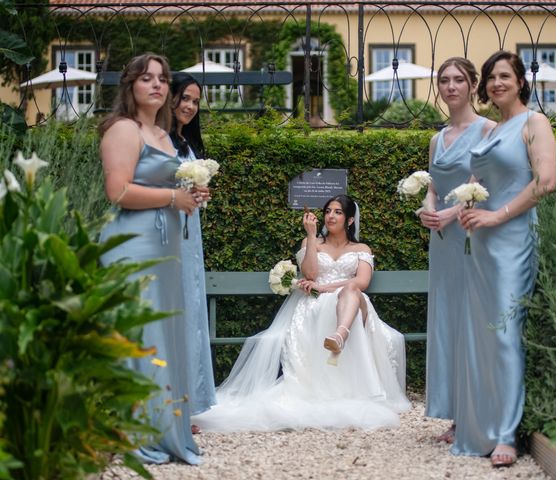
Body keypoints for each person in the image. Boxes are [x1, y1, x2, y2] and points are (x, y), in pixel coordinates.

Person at [192, 194, 410, 432]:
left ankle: (339, 335)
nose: (330, 216)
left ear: (349, 220)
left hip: (352, 301)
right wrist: (310, 235)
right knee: (331, 301)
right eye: (328, 211)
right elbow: (310, 274)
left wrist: (325, 288)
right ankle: (338, 337)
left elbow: (362, 281)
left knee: (350, 289)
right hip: (315, 303)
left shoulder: (361, 248)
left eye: (337, 212)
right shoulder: (313, 243)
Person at [98, 53, 209, 465]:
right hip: (134, 245)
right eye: (147, 78)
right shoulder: (123, 129)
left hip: (167, 249)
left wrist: (190, 197)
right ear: (131, 85)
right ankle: (134, 432)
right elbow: (118, 191)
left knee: (165, 336)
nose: (157, 85)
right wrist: (171, 197)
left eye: (162, 79)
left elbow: (170, 189)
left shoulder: (162, 134)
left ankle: (165, 429)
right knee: (140, 337)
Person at [454, 50, 556, 467]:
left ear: (519, 81)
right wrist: (467, 203)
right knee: (480, 336)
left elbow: (545, 182)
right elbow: (478, 179)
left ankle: (507, 435)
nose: (496, 83)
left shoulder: (535, 123)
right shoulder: (492, 129)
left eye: (504, 76)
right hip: (480, 244)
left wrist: (497, 213)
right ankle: (480, 426)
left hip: (513, 241)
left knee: (504, 335)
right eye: (491, 77)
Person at [419, 58, 495, 444]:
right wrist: (428, 208)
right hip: (442, 241)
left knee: (471, 317)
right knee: (447, 317)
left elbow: (484, 184)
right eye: (445, 80)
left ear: (471, 85)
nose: (451, 87)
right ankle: (453, 413)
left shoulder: (489, 130)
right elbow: (433, 184)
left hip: (470, 234)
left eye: (459, 80)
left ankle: (476, 412)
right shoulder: (438, 138)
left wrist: (454, 211)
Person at [169, 72, 217, 422]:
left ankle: (188, 403)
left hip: (190, 233)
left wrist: (200, 195)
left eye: (195, 101)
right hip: (167, 232)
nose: (189, 106)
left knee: (191, 309)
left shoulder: (188, 143)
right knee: (174, 310)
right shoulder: (160, 141)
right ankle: (170, 404)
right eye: (184, 98)